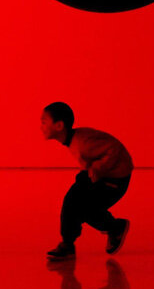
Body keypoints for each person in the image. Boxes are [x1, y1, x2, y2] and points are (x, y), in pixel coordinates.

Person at [40, 102, 133, 260]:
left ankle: (115, 227)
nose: (41, 126)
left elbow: (114, 149)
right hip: (102, 175)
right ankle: (68, 244)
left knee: (84, 207)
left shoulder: (83, 143)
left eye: (44, 122)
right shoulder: (76, 141)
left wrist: (98, 168)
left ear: (59, 125)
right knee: (71, 200)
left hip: (115, 179)